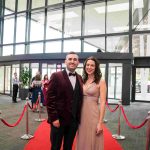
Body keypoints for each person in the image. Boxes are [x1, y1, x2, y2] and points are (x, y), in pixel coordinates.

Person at [46, 51, 83, 150]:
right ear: (65, 61)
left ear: (78, 62)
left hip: (73, 122)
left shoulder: (80, 78)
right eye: (70, 59)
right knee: (55, 147)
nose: (72, 61)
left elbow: (78, 99)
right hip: (59, 121)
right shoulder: (56, 76)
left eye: (75, 59)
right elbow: (49, 99)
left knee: (68, 147)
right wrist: (54, 118)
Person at [77, 56, 107, 150]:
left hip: (93, 114)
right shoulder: (82, 80)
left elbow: (102, 103)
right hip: (81, 114)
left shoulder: (101, 82)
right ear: (85, 66)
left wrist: (100, 123)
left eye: (92, 65)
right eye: (88, 65)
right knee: (82, 138)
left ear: (96, 67)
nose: (89, 67)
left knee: (93, 138)